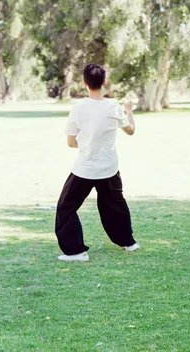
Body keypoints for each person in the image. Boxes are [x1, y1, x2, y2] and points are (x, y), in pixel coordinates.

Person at [54, 64, 139, 262]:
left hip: (85, 167)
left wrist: (87, 144)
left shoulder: (78, 109)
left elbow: (70, 143)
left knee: (66, 208)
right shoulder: (114, 107)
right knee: (115, 205)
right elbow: (131, 130)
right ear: (104, 82)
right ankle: (129, 243)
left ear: (84, 83)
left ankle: (76, 252)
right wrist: (129, 110)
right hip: (109, 168)